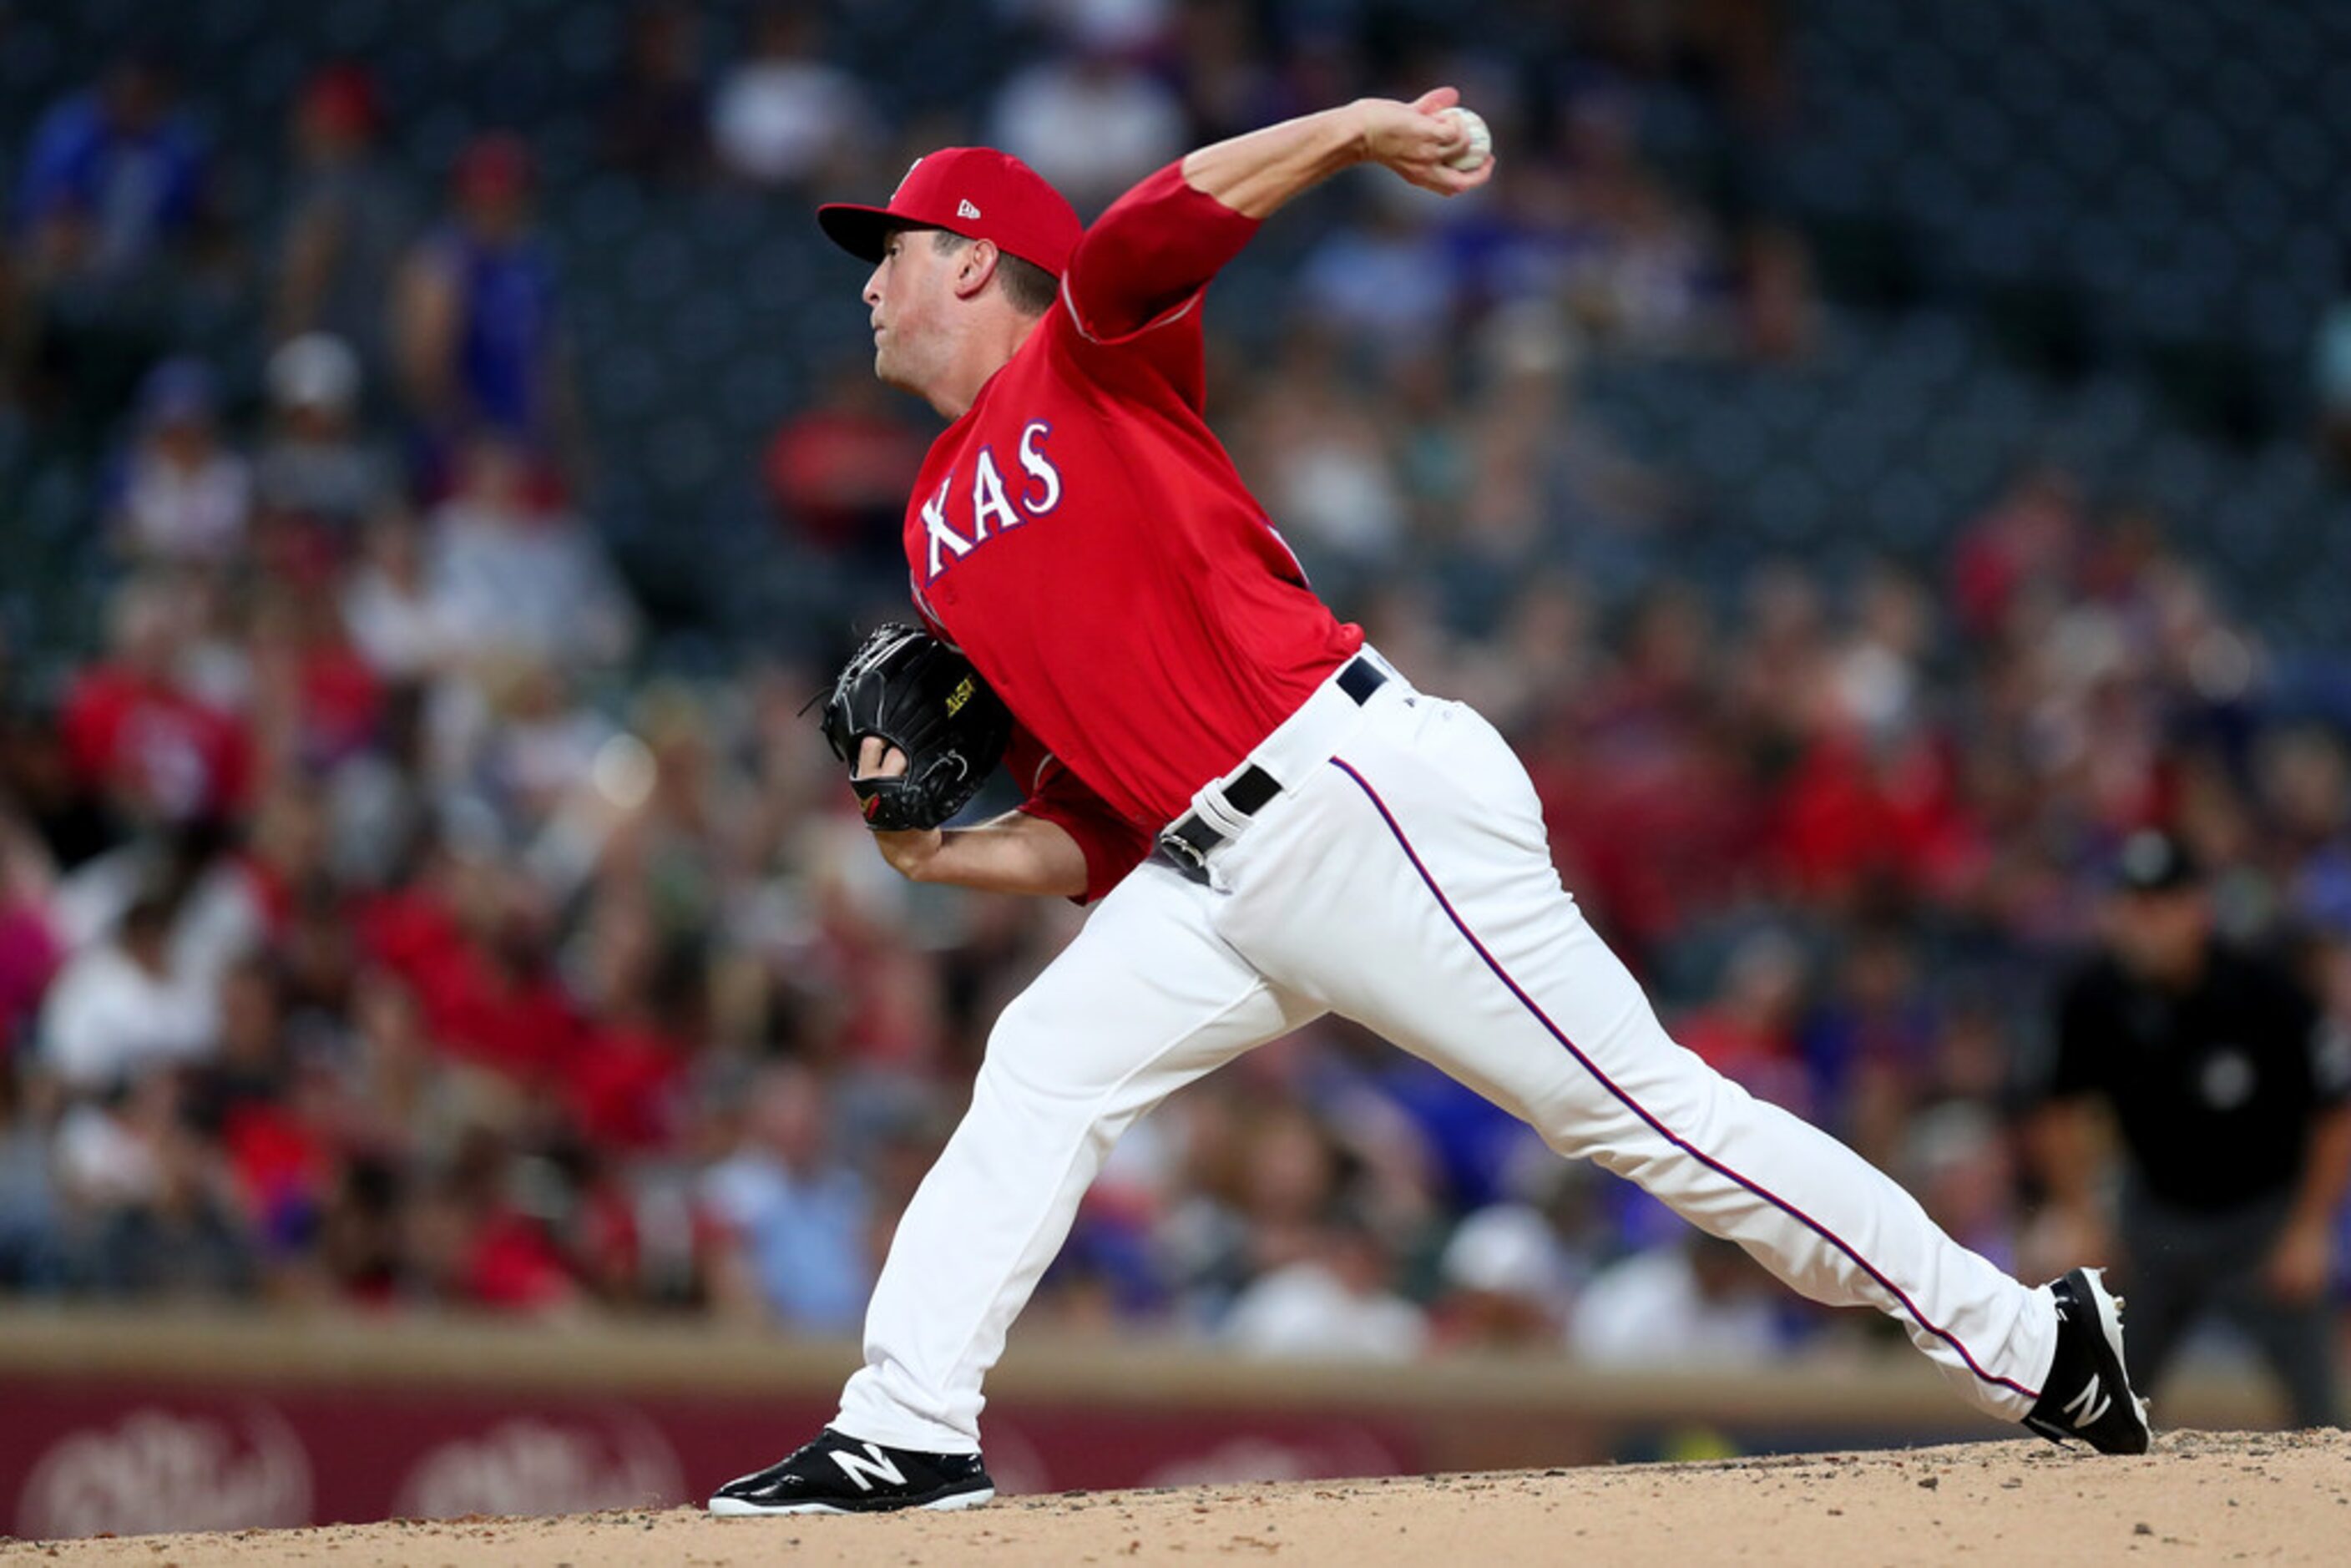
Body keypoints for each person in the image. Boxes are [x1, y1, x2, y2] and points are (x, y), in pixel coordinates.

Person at [710, 91, 2149, 1519]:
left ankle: (2036, 1340)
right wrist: (935, 852)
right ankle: (904, 1427)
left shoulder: (1090, 357)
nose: (869, 283)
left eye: (888, 249)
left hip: (1351, 792)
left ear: (971, 258)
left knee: (1641, 1115)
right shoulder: (931, 527)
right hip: (1213, 871)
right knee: (1040, 1057)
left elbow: (1149, 230)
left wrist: (1351, 128)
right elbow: (1096, 818)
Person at [2033, 830, 2351, 1429]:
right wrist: (2078, 1214)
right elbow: (2056, 1110)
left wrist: (2310, 1229)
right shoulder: (2095, 996)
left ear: (2196, 910)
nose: (2144, 923)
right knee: (2097, 1406)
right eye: (2132, 906)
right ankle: (2080, 1516)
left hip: (2263, 1222)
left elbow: (2334, 1111)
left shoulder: (2264, 992)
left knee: (2323, 1420)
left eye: (2160, 906)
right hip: (2156, 1221)